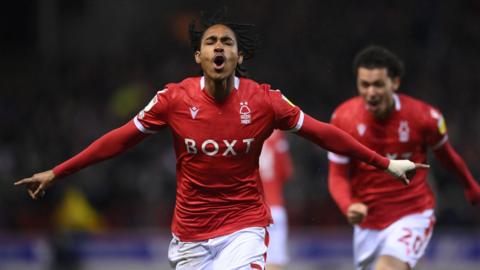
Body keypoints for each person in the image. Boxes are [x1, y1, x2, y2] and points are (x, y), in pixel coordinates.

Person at [15, 13, 424, 269]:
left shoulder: (265, 101)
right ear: (198, 56)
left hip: (244, 228)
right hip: (190, 235)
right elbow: (118, 140)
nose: (218, 47)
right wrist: (58, 171)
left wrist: (385, 163)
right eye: (210, 42)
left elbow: (324, 133)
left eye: (227, 42)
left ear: (238, 57)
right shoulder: (173, 99)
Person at [327, 45, 480, 270]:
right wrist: (348, 205)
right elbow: (337, 175)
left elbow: (448, 157)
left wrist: (471, 186)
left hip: (412, 214)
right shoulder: (343, 118)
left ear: (395, 83)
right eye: (364, 85)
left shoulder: (424, 117)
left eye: (378, 84)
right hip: (368, 223)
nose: (371, 92)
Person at [259, 130, 293, 270]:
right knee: (274, 261)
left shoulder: (240, 131)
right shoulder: (276, 135)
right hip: (273, 207)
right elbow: (286, 172)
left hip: (248, 208)